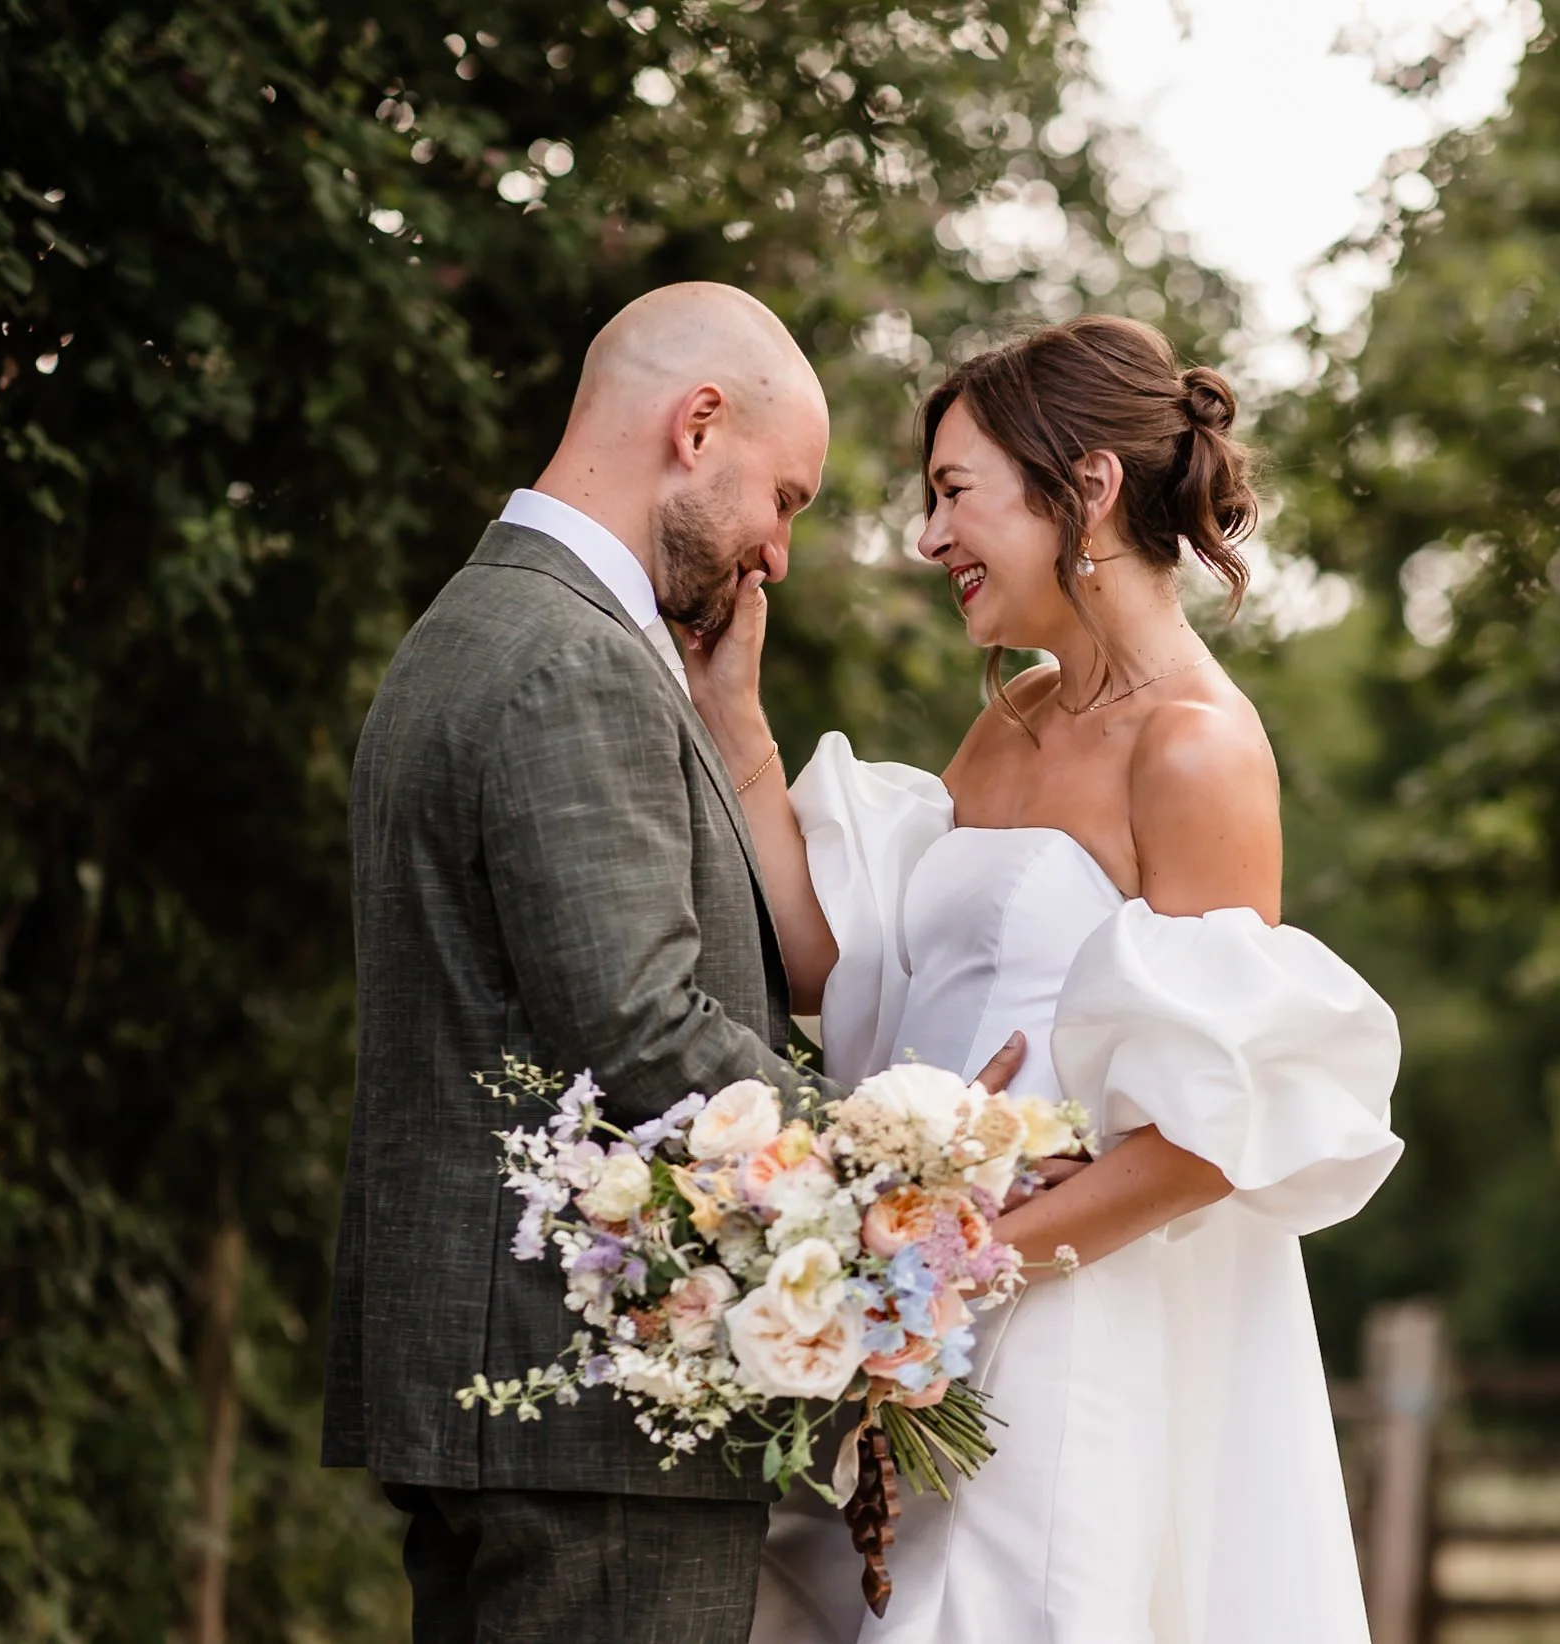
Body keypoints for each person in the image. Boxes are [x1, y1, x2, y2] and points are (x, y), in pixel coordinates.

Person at [325, 282, 1022, 1644]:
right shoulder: (571, 662)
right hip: (587, 1411)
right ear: (697, 427)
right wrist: (910, 1159)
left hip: (504, 1391)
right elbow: (642, 1026)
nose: (778, 553)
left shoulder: (481, 625)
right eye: (786, 498)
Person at [692, 314, 1405, 1644]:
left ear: (1088, 486)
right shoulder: (1012, 718)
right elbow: (837, 968)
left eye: (954, 493)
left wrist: (945, 1271)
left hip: (1066, 1333)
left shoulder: (1196, 749)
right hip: (932, 1328)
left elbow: (1207, 1138)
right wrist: (736, 720)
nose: (929, 538)